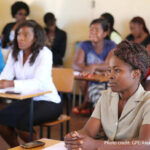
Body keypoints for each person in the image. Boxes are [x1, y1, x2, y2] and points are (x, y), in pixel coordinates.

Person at [65, 40, 150, 150]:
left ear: (135, 74)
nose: (110, 76)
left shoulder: (147, 102)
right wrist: (75, 137)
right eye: (109, 70)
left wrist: (97, 145)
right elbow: (88, 131)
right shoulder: (106, 97)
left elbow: (145, 143)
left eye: (117, 70)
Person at [0, 20, 62, 147]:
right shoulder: (15, 53)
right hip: (27, 100)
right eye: (18, 34)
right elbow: (4, 78)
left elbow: (39, 83)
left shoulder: (44, 53)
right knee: (1, 119)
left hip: (48, 101)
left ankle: (38, 149)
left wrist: (11, 83)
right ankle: (15, 148)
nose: (20, 38)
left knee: (21, 122)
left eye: (26, 35)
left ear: (36, 38)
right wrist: (3, 83)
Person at [72, 18, 116, 114]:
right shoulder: (84, 44)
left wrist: (93, 67)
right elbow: (76, 64)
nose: (92, 32)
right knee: (82, 77)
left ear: (105, 34)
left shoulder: (111, 45)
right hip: (91, 78)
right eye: (91, 29)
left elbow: (109, 65)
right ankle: (88, 102)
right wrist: (93, 69)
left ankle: (89, 105)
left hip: (105, 80)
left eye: (96, 30)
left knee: (106, 97)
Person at [126, 16, 150, 90]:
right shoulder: (130, 37)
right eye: (130, 29)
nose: (132, 31)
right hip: (131, 65)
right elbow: (122, 50)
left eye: (133, 28)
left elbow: (147, 57)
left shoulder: (149, 39)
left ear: (141, 26)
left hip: (145, 66)